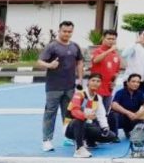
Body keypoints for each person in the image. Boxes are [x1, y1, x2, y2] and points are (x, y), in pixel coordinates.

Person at [38, 20, 84, 152]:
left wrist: (80, 78)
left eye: (70, 31)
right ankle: (47, 140)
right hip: (53, 87)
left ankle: (68, 137)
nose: (67, 34)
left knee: (69, 113)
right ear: (59, 31)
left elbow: (80, 62)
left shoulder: (75, 46)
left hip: (70, 86)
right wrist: (49, 65)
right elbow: (40, 62)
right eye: (64, 31)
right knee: (50, 113)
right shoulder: (52, 46)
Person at [64, 73, 118, 158]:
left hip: (86, 125)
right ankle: (79, 149)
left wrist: (105, 128)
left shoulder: (98, 98)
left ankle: (89, 141)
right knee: (79, 120)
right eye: (93, 80)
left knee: (111, 135)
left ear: (100, 84)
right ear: (88, 82)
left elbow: (101, 115)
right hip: (71, 127)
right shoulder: (79, 94)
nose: (95, 83)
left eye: (98, 81)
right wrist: (85, 116)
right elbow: (74, 111)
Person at [90, 30, 121, 116]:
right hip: (96, 89)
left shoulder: (116, 55)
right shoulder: (98, 51)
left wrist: (114, 81)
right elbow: (95, 60)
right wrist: (109, 50)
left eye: (113, 39)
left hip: (108, 90)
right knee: (93, 113)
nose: (111, 41)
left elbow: (117, 71)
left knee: (105, 113)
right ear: (103, 38)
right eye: (109, 38)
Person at [110, 73, 144, 138]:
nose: (136, 84)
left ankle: (130, 131)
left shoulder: (139, 93)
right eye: (133, 81)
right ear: (127, 82)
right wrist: (128, 113)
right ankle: (114, 136)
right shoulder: (120, 92)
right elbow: (114, 105)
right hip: (121, 118)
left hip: (133, 118)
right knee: (113, 115)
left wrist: (139, 113)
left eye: (138, 82)